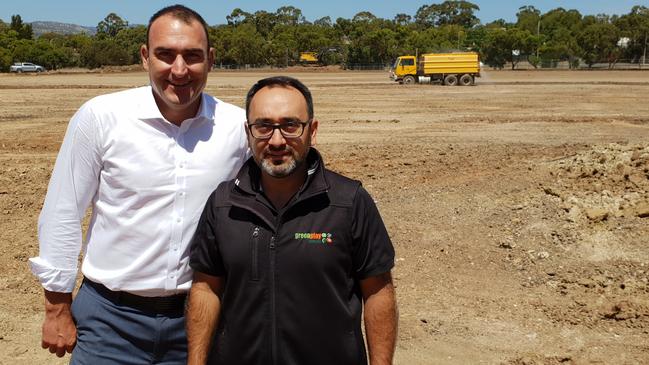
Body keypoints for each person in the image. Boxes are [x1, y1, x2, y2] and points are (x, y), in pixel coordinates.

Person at [28, 5, 249, 364]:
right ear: (146, 57)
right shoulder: (101, 117)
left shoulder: (237, 128)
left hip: (199, 318)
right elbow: (63, 211)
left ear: (210, 60)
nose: (179, 70)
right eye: (166, 54)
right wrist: (57, 308)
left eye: (192, 56)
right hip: (109, 321)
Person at [186, 76, 398, 365]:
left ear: (312, 130)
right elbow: (205, 288)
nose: (276, 140)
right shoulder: (223, 204)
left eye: (290, 126)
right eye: (263, 126)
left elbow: (377, 292)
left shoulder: (348, 202)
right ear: (248, 133)